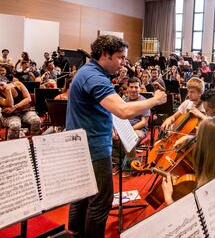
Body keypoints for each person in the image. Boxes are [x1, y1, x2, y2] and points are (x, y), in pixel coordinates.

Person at [66, 35, 166, 238]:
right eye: (120, 57)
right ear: (105, 55)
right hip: (93, 146)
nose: (124, 63)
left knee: (83, 195)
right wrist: (154, 100)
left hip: (83, 142)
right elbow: (123, 111)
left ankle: (75, 232)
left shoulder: (89, 72)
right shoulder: (94, 76)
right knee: (101, 200)